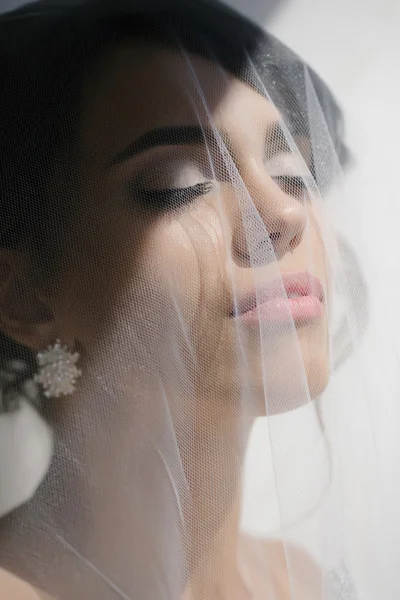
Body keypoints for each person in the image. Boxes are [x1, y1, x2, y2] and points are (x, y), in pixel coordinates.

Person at [0, 0, 362, 598]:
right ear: (24, 300)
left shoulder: (305, 582)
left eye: (292, 169)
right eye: (181, 185)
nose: (283, 213)